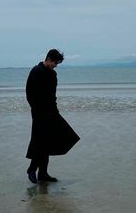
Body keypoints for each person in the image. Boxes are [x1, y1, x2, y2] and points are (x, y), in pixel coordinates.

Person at [26, 49, 80, 183]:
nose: (56, 65)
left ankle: (43, 174)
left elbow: (52, 95)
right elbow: (30, 93)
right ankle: (32, 169)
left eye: (57, 63)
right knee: (40, 142)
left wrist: (55, 110)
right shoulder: (36, 71)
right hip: (39, 113)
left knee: (56, 139)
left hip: (52, 112)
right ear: (48, 59)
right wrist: (37, 110)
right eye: (55, 62)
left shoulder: (53, 74)